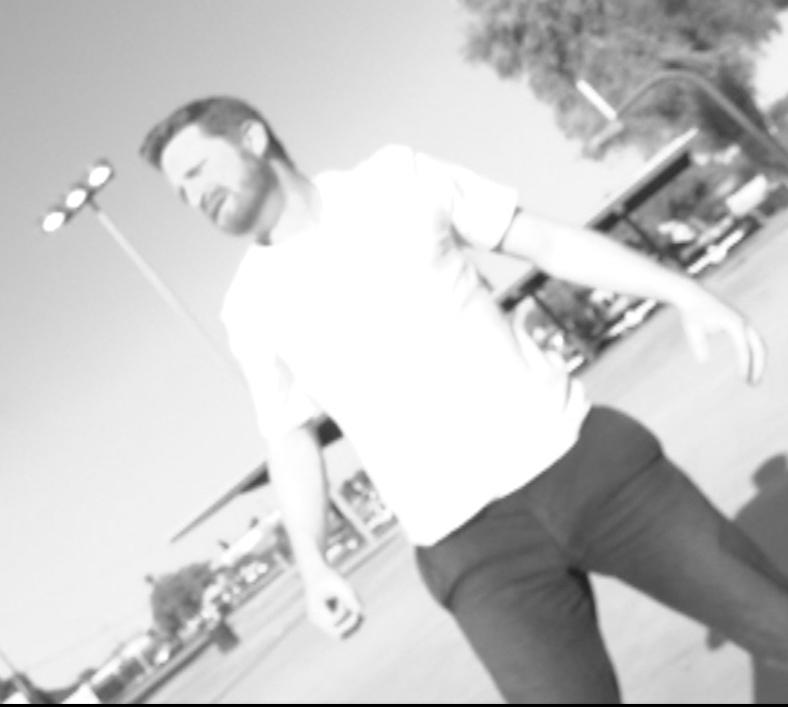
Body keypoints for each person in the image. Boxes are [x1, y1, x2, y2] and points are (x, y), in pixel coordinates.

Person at [137, 95, 785, 702]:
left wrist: (682, 291)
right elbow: (289, 436)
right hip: (474, 554)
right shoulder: (248, 308)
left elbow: (546, 242)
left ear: (251, 138)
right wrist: (312, 563)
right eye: (181, 192)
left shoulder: (394, 179)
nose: (194, 196)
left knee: (774, 620)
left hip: (584, 465)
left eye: (196, 170)